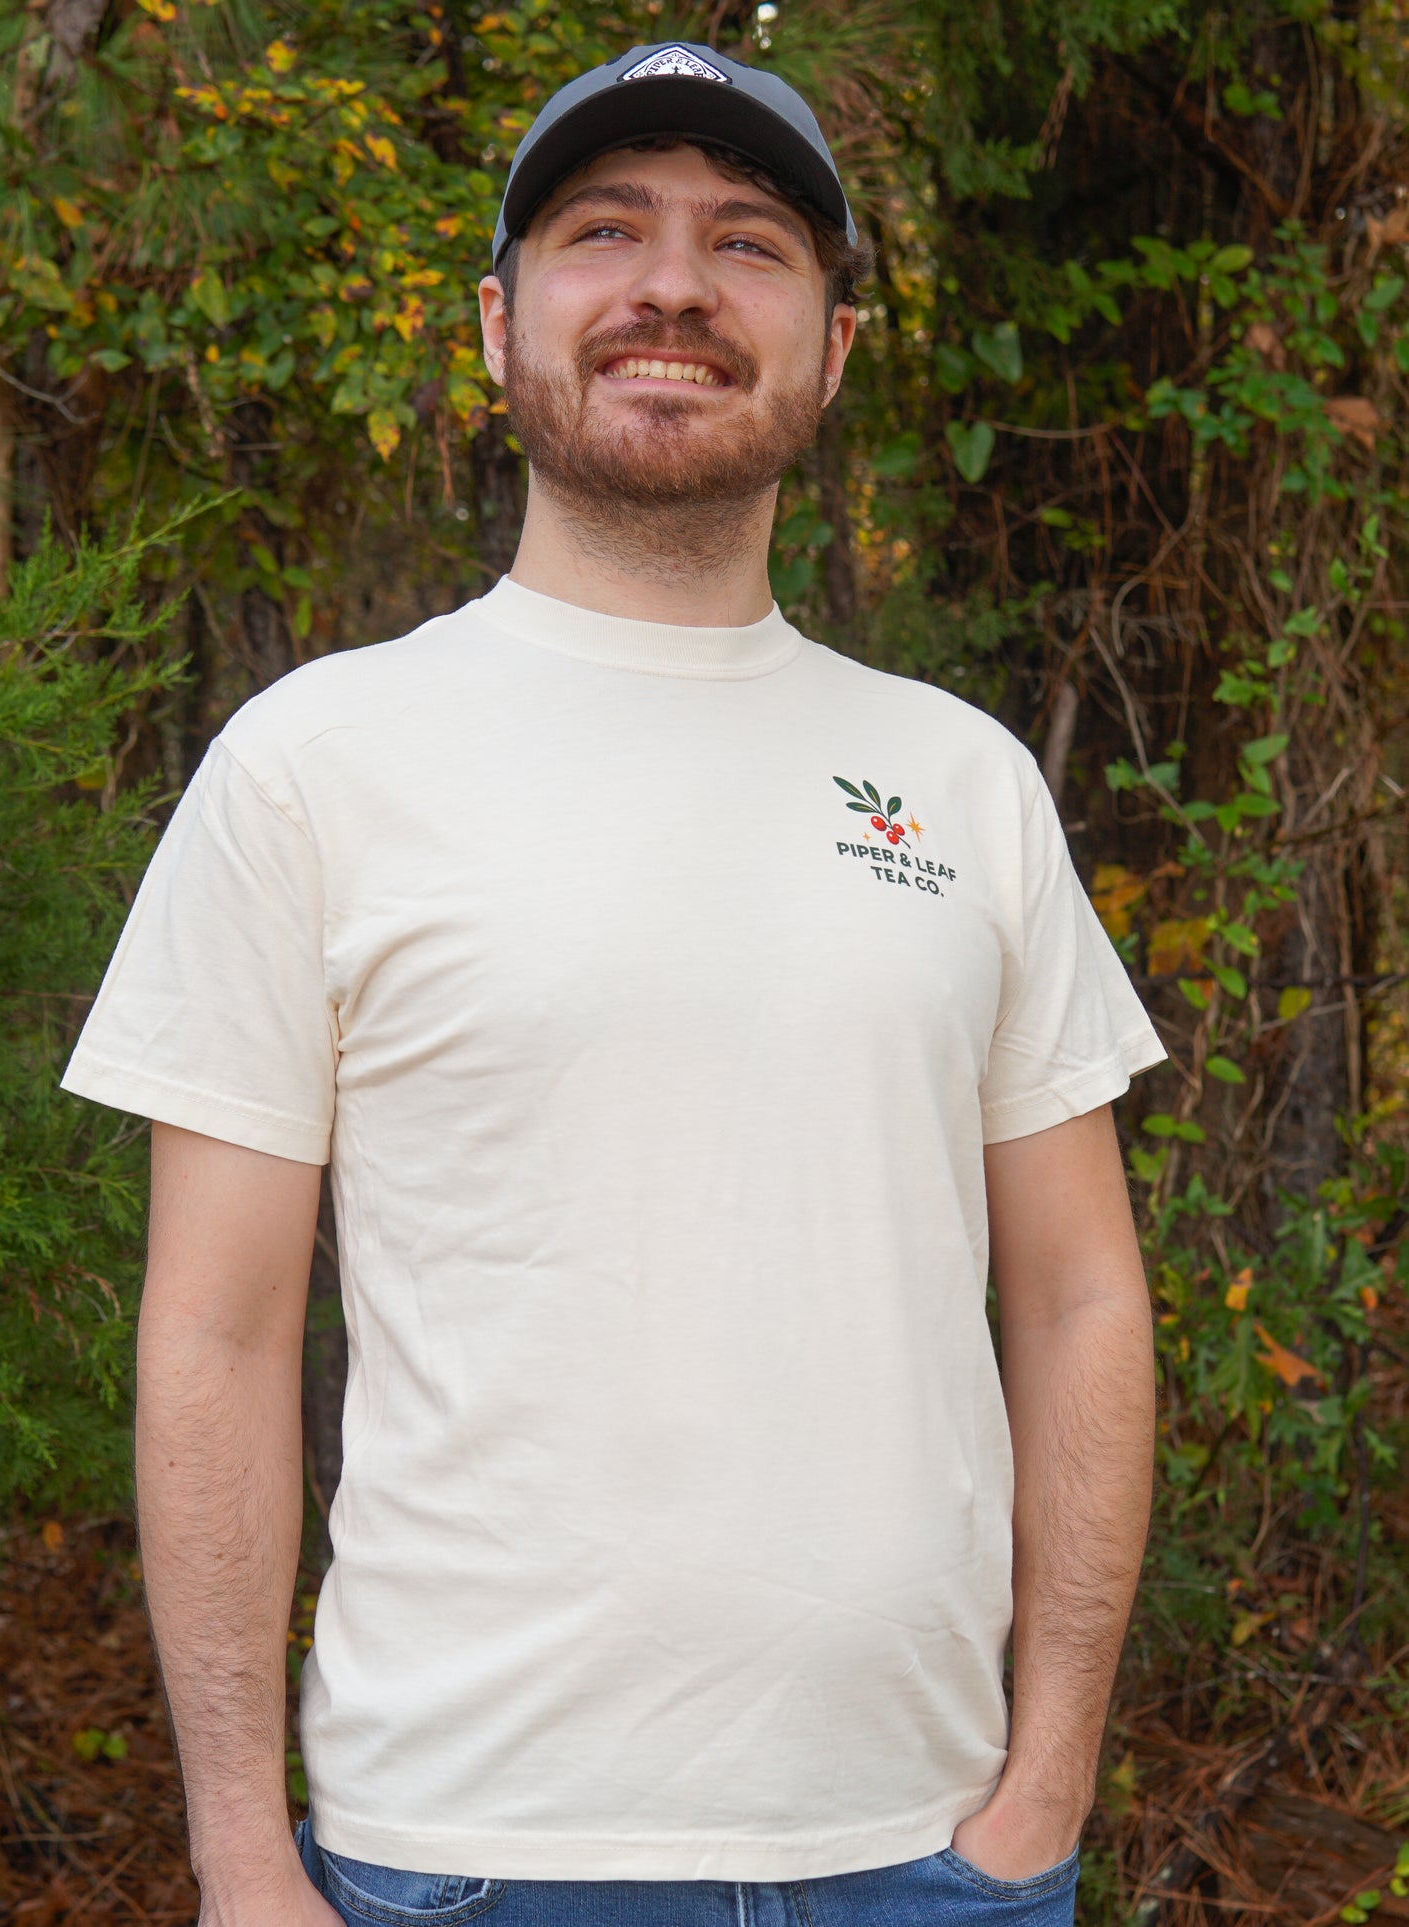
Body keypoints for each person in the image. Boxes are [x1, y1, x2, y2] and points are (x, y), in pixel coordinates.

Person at [61, 39, 1167, 1927]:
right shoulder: (313, 763)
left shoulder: (963, 781)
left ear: (828, 348)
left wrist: (1041, 1786)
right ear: (499, 327)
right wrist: (241, 1854)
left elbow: (1074, 1296)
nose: (672, 284)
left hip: (925, 1858)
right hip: (464, 1857)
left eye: (748, 241)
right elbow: (219, 1341)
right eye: (602, 231)